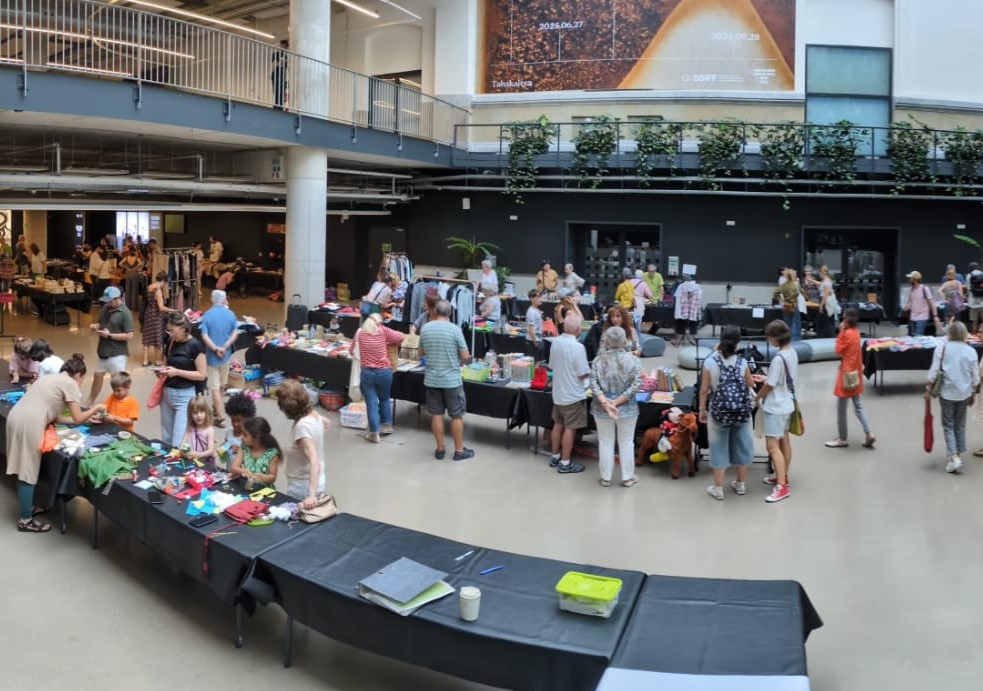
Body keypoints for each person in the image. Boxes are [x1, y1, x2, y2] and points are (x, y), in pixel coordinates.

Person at [6, 355, 105, 532]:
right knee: (28, 470)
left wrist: (86, 419)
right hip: (30, 423)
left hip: (16, 417)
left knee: (21, 465)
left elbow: (57, 417)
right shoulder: (70, 383)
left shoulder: (50, 378)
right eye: (82, 380)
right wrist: (96, 408)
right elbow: (78, 417)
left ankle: (28, 508)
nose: (80, 385)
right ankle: (25, 520)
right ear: (78, 375)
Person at [698, 325, 756, 500]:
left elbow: (704, 390)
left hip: (719, 410)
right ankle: (741, 483)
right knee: (742, 444)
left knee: (718, 447)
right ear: (738, 342)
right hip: (741, 411)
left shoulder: (710, 362)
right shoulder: (742, 362)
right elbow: (751, 384)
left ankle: (718, 488)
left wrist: (702, 409)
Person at [419, 300, 473, 460]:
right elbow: (465, 356)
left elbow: (421, 353)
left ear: (435, 311)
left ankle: (440, 449)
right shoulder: (455, 330)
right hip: (452, 380)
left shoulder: (426, 328)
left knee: (436, 414)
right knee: (456, 415)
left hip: (432, 379)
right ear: (450, 313)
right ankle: (459, 451)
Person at [590, 326, 642, 487]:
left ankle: (606, 477)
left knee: (605, 441)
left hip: (601, 408)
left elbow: (593, 384)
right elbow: (636, 385)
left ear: (606, 342)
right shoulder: (634, 361)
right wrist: (618, 401)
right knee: (626, 441)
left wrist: (606, 403)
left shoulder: (598, 361)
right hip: (627, 409)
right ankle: (627, 477)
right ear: (625, 341)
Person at [753, 320, 798, 503]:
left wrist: (757, 397)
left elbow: (770, 386)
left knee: (772, 447)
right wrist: (766, 377)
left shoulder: (778, 359)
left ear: (775, 338)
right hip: (786, 404)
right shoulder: (792, 352)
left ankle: (781, 486)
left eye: (769, 337)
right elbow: (780, 379)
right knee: (784, 441)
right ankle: (782, 475)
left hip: (775, 407)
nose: (769, 340)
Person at [927, 321, 979, 474]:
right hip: (964, 393)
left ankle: (954, 457)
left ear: (950, 333)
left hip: (947, 393)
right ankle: (957, 453)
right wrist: (973, 392)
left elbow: (934, 372)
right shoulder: (971, 351)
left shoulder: (942, 348)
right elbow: (975, 377)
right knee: (960, 424)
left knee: (948, 424)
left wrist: (928, 389)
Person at [824, 309, 876, 449]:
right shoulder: (856, 333)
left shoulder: (846, 334)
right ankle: (869, 432)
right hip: (855, 373)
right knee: (858, 406)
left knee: (841, 408)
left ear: (846, 320)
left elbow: (838, 349)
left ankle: (842, 438)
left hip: (846, 374)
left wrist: (841, 331)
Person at [275, 379, 328, 508]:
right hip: (317, 480)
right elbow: (326, 422)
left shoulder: (302, 427)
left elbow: (314, 460)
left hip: (303, 485)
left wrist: (311, 495)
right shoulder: (313, 414)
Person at [548, 313, 590, 474]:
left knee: (558, 424)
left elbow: (552, 365)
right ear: (578, 329)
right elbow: (582, 373)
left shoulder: (555, 342)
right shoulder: (578, 347)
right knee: (570, 428)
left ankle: (555, 456)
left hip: (558, 393)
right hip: (572, 395)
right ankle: (565, 463)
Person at [158, 312, 207, 448]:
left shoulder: (195, 345)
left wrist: (177, 372)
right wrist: (162, 370)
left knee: (178, 440)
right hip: (167, 394)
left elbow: (202, 374)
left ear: (183, 328)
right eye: (168, 330)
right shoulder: (170, 341)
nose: (169, 333)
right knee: (166, 437)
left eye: (172, 330)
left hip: (184, 396)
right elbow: (166, 362)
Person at [355, 312, 404, 443]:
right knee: (384, 398)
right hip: (384, 372)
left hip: (367, 373)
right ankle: (386, 426)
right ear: (379, 322)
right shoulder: (383, 331)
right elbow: (400, 337)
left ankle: (374, 434)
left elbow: (351, 350)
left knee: (371, 402)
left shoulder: (359, 333)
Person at [86, 286, 134, 407]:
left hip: (117, 353)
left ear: (118, 298)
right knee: (97, 376)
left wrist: (110, 335)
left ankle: (120, 405)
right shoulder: (106, 308)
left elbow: (129, 335)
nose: (108, 303)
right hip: (103, 351)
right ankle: (90, 400)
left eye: (110, 301)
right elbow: (100, 322)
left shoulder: (125, 313)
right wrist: (96, 326)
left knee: (117, 382)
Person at [198, 289, 239, 426]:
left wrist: (215, 349)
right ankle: (217, 409)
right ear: (224, 299)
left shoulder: (207, 316)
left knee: (214, 387)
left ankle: (220, 418)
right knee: (222, 384)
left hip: (212, 357)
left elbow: (204, 335)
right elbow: (235, 331)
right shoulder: (230, 314)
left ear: (212, 299)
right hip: (226, 356)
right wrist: (226, 346)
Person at [230, 416, 281, 490]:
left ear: (257, 437)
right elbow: (233, 468)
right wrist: (243, 471)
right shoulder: (244, 448)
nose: (242, 437)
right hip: (247, 487)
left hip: (264, 491)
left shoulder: (272, 454)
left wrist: (263, 477)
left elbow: (273, 477)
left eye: (245, 435)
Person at [142, 271, 175, 367]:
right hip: (156, 316)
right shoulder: (158, 291)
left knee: (147, 337)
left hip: (148, 314)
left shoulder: (149, 287)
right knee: (157, 337)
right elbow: (161, 307)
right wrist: (173, 310)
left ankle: (145, 361)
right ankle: (158, 360)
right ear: (163, 281)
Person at [220, 393, 257, 467]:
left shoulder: (250, 436)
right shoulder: (229, 432)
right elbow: (223, 454)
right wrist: (224, 448)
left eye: (239, 421)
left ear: (248, 419)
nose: (235, 424)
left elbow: (256, 455)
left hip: (244, 472)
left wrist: (242, 452)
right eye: (233, 420)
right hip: (230, 469)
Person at [902, 270, 941, 336]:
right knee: (912, 337)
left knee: (919, 336)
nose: (909, 280)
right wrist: (905, 308)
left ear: (915, 280)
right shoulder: (912, 289)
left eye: (910, 278)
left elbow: (931, 303)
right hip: (912, 318)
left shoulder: (924, 289)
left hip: (922, 318)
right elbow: (910, 302)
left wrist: (935, 316)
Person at [179, 395, 216, 464]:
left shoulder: (209, 430)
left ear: (206, 412)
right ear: (190, 414)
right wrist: (184, 453)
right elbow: (182, 443)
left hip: (205, 462)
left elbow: (211, 450)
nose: (199, 415)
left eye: (202, 412)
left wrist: (198, 454)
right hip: (193, 461)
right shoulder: (190, 427)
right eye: (195, 412)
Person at [773, 268, 806, 342]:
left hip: (786, 305)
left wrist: (781, 300)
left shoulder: (784, 285)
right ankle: (795, 340)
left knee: (787, 323)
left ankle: (787, 339)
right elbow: (801, 292)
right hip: (794, 305)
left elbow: (775, 293)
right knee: (796, 323)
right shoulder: (796, 283)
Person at [673, 274, 703, 345]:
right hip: (693, 309)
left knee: (681, 321)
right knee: (693, 322)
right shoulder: (697, 287)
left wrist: (677, 312)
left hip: (683, 309)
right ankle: (692, 337)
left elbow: (677, 298)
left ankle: (679, 337)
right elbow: (700, 298)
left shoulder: (681, 286)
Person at [119, 245, 144, 312]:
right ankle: (134, 306)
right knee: (134, 290)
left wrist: (126, 267)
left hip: (128, 274)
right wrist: (135, 268)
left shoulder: (126, 258)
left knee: (128, 290)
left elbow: (120, 263)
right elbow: (141, 263)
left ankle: (128, 306)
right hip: (134, 274)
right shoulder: (136, 258)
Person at [815, 265, 838, 339]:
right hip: (826, 303)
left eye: (819, 273)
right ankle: (826, 336)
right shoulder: (826, 281)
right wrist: (813, 281)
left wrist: (821, 305)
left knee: (826, 322)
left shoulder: (827, 281)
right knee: (825, 321)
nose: (819, 275)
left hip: (826, 303)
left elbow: (825, 294)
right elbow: (822, 285)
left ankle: (828, 337)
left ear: (822, 273)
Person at [271, 39, 288, 109]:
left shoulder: (286, 56)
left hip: (282, 74)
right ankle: (276, 106)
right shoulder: (276, 54)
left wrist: (285, 62)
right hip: (276, 73)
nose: (283, 47)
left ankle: (280, 106)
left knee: (282, 90)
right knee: (276, 90)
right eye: (283, 46)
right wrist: (281, 62)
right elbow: (274, 65)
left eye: (285, 46)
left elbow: (286, 68)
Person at [967, 262, 983, 332]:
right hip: (982, 302)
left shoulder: (969, 275)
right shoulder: (982, 274)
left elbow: (968, 288)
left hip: (973, 303)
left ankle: (974, 336)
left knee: (974, 321)